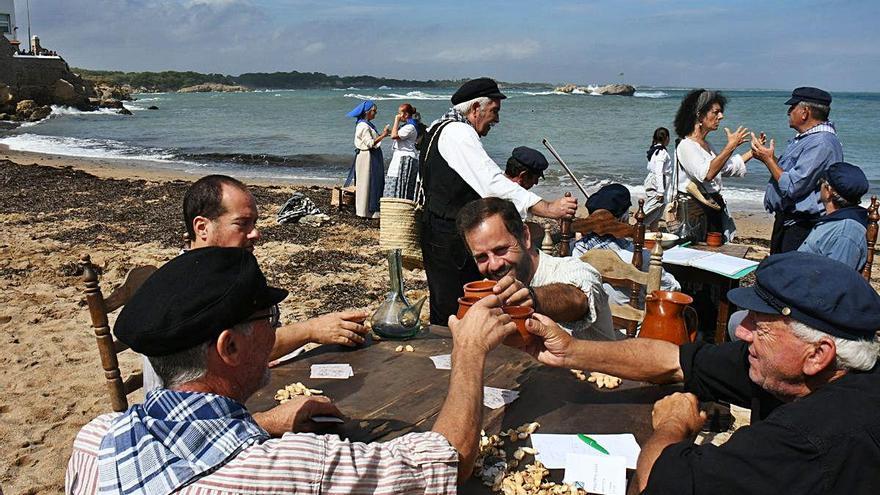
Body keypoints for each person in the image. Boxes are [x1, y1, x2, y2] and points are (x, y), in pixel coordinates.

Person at [66, 247, 520, 494]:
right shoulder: (294, 469)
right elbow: (446, 464)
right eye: (270, 322)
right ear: (230, 346)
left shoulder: (95, 440)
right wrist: (469, 354)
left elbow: (181, 442)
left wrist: (264, 422)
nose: (276, 332)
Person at [510, 251, 880, 494]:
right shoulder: (798, 366)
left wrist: (672, 425)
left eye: (760, 324)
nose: (740, 330)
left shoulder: (808, 439)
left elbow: (659, 484)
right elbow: (675, 359)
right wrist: (572, 351)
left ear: (817, 354)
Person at [135, 175, 370, 391]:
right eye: (242, 224)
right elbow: (232, 355)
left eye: (254, 223)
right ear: (202, 227)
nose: (255, 233)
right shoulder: (191, 293)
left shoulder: (220, 273)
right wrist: (311, 330)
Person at [419, 77, 578, 324]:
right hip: (448, 236)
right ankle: (453, 354)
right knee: (457, 305)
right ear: (475, 109)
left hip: (437, 229)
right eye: (494, 111)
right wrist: (545, 207)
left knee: (448, 301)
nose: (497, 119)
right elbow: (491, 182)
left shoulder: (438, 128)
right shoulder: (457, 132)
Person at [457, 197, 616, 340]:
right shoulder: (494, 292)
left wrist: (531, 299)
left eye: (501, 250)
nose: (494, 265)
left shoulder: (572, 270)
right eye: (482, 257)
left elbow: (578, 299)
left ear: (525, 237)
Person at [752, 87, 844, 254]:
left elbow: (793, 186)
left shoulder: (821, 143)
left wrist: (768, 160)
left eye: (792, 107)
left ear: (805, 112)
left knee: (788, 274)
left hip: (801, 225)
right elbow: (790, 173)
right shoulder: (809, 138)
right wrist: (767, 158)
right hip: (789, 221)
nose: (788, 112)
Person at [569, 184, 680, 306]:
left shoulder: (578, 249)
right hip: (633, 320)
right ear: (623, 219)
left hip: (594, 315)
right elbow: (669, 287)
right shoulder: (638, 256)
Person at [673, 89, 759, 242]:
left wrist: (753, 152)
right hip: (696, 212)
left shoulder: (706, 144)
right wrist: (730, 146)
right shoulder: (686, 145)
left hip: (710, 207)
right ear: (699, 114)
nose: (721, 116)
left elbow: (725, 168)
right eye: (716, 112)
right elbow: (706, 174)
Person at [797, 161, 870, 270]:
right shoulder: (836, 221)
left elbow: (834, 280)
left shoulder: (845, 233)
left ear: (828, 191)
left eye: (821, 182)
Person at [345, 100, 389, 218]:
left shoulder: (367, 124)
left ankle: (368, 210)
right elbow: (370, 143)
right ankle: (365, 211)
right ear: (367, 112)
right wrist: (383, 135)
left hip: (370, 155)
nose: (375, 113)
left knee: (370, 182)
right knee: (367, 182)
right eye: (374, 111)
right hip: (367, 156)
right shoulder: (363, 126)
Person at [383, 103, 421, 200]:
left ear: (406, 114)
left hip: (405, 158)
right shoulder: (407, 126)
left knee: (400, 184)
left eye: (400, 113)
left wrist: (396, 120)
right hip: (400, 156)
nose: (398, 115)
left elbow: (394, 136)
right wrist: (387, 133)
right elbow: (396, 134)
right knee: (394, 179)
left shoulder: (410, 127)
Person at [642, 127, 672, 227]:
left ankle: (654, 233)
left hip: (654, 179)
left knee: (657, 212)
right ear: (666, 138)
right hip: (658, 182)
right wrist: (660, 191)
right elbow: (659, 171)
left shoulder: (655, 150)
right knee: (653, 206)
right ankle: (638, 226)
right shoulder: (661, 153)